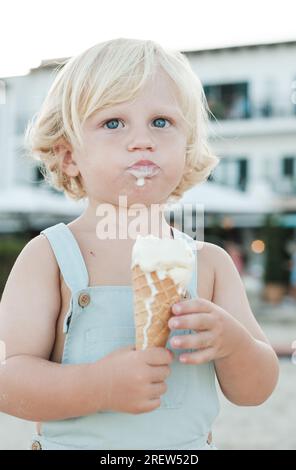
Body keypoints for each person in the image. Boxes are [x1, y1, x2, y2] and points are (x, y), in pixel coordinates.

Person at [0, 38, 279, 450]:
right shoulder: (51, 257)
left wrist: (233, 343)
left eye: (161, 122)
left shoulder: (211, 264)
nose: (142, 140)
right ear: (69, 155)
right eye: (114, 123)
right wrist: (97, 386)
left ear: (186, 147)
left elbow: (255, 390)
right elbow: (9, 378)